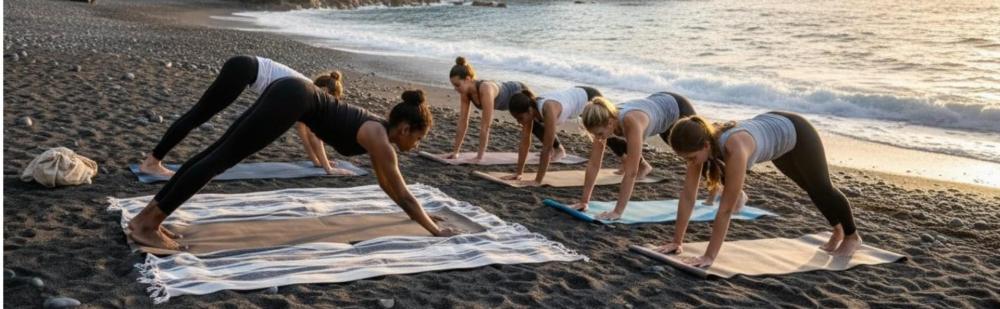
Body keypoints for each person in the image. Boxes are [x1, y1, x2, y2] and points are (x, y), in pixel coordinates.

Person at [127, 79, 458, 250]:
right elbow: (402, 193)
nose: (417, 144)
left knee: (216, 154)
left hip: (292, 93)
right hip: (294, 98)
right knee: (219, 159)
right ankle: (148, 224)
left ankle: (148, 217)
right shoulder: (382, 142)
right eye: (419, 137)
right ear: (404, 129)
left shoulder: (377, 134)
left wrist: (425, 218)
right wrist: (434, 229)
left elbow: (389, 188)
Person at [657, 112, 862, 267]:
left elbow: (726, 209)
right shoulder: (702, 145)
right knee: (810, 188)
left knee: (821, 188)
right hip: (776, 137)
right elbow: (687, 196)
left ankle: (852, 236)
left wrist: (709, 256)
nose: (690, 163)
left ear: (704, 146)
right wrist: (677, 242)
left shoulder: (734, 148)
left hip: (797, 132)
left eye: (691, 157)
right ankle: (837, 230)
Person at [138, 56, 347, 177]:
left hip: (242, 65)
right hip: (243, 70)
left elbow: (304, 130)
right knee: (197, 116)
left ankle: (152, 161)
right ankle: (152, 162)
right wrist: (329, 169)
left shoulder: (304, 90)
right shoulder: (308, 92)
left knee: (197, 115)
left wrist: (318, 163)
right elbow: (313, 136)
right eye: (331, 100)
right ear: (326, 93)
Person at [571, 92, 709, 220]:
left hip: (677, 108)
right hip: (659, 109)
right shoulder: (604, 120)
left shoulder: (631, 121)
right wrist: (584, 201)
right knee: (685, 153)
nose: (598, 138)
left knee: (698, 158)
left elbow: (631, 172)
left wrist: (617, 212)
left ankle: (717, 189)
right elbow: (594, 163)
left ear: (610, 123)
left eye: (600, 134)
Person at [447, 56, 560, 161]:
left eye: (457, 85)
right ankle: (551, 149)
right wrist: (456, 152)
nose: (455, 89)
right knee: (531, 124)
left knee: (535, 122)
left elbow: (486, 126)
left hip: (517, 90)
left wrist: (479, 157)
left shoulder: (485, 89)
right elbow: (463, 121)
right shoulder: (465, 93)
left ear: (467, 79)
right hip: (507, 100)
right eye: (453, 85)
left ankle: (558, 149)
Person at [503, 86, 602, 185]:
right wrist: (518, 173)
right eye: (516, 119)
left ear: (529, 110)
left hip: (590, 97)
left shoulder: (548, 109)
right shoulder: (531, 109)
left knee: (605, 136)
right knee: (534, 125)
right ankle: (559, 149)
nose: (519, 122)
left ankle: (618, 168)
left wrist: (537, 181)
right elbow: (524, 142)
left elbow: (547, 149)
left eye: (520, 118)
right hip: (576, 97)